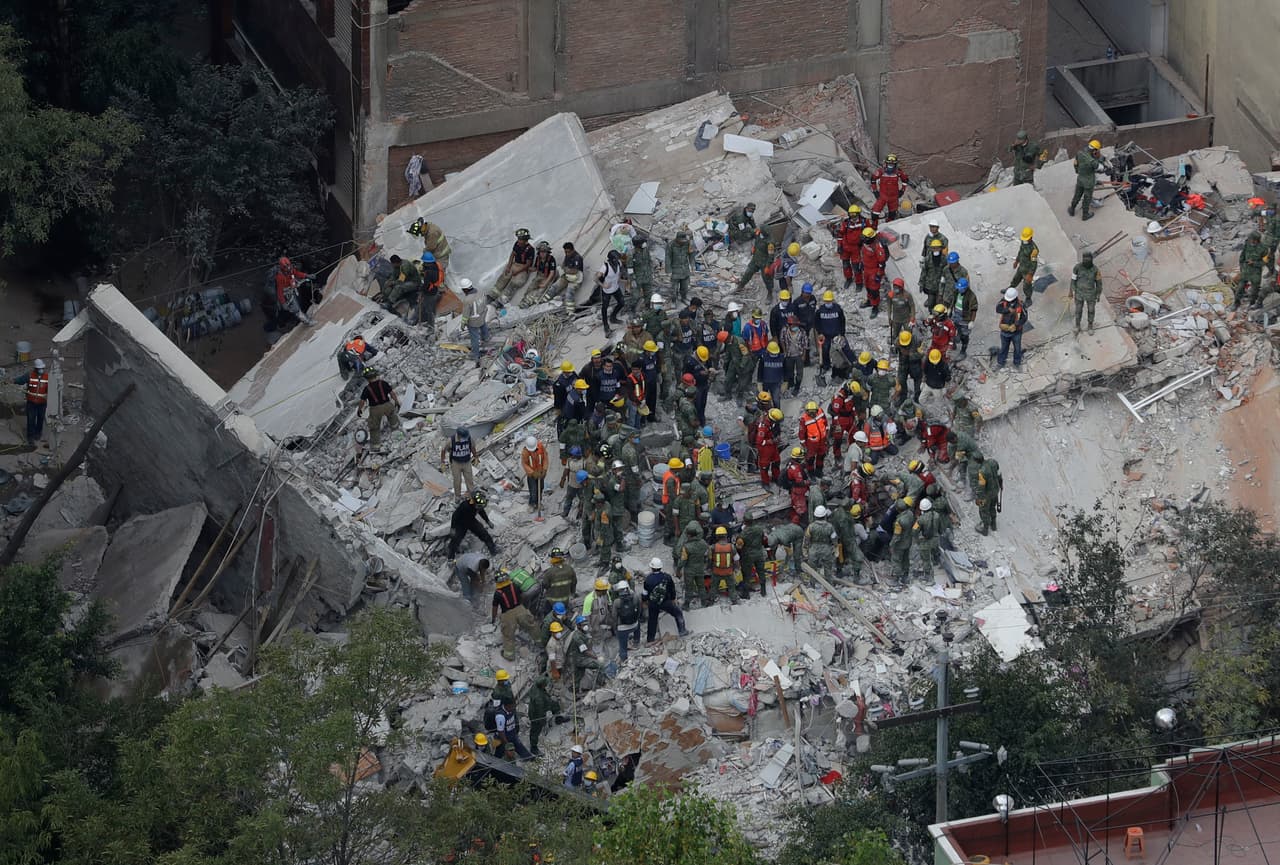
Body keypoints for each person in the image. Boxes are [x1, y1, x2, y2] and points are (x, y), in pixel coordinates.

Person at [493, 569, 540, 660]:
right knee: (532, 626)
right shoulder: (514, 585)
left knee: (508, 635)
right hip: (520, 609)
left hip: (507, 614)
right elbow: (521, 595)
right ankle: (541, 642)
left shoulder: (497, 593)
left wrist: (493, 618)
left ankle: (509, 655)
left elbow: (494, 607)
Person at [643, 557, 688, 643]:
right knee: (678, 613)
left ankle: (650, 639)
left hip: (653, 603)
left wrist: (645, 601)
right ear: (661, 567)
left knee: (652, 620)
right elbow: (672, 589)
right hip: (665, 602)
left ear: (652, 568)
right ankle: (682, 631)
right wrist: (673, 598)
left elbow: (645, 593)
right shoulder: (667, 577)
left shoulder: (648, 579)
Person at [356, 368, 400, 447]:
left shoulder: (367, 389)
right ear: (376, 375)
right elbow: (392, 393)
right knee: (392, 416)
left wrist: (359, 409)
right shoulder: (383, 383)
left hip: (375, 409)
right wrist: (396, 401)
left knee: (374, 426)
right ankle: (396, 429)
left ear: (367, 379)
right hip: (387, 405)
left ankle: (376, 444)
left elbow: (362, 401)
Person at [447, 491, 498, 558]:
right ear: (474, 503)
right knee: (456, 540)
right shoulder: (465, 506)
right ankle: (450, 557)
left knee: (483, 533)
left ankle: (493, 549)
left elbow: (482, 512)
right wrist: (453, 528)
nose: (479, 508)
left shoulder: (478, 505)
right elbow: (455, 515)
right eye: (479, 506)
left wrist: (488, 521)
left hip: (471, 521)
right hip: (460, 524)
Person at [493, 228, 536, 301]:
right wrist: (508, 267)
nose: (518, 241)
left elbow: (528, 264)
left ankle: (503, 299)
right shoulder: (517, 244)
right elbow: (512, 255)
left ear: (525, 240)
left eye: (520, 239)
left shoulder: (530, 249)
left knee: (516, 282)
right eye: (518, 239)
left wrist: (517, 271)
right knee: (504, 276)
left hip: (523, 268)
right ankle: (493, 294)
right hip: (515, 264)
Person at [14, 358, 49, 446]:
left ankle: (38, 433)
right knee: (31, 419)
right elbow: (20, 380)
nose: (41, 370)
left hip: (42, 403)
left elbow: (51, 389)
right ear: (35, 369)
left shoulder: (47, 377)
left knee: (41, 419)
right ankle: (30, 437)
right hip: (31, 403)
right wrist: (12, 381)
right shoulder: (29, 375)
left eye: (42, 368)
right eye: (39, 368)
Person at [273, 256, 315, 326]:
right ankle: (307, 322)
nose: (288, 268)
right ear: (283, 268)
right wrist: (283, 303)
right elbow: (280, 292)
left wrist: (307, 276)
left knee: (299, 303)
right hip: (286, 293)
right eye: (286, 267)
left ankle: (303, 315)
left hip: (292, 289)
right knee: (296, 310)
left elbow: (297, 273)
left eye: (289, 266)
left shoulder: (290, 270)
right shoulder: (280, 277)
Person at [527, 674, 561, 755]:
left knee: (555, 704)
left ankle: (558, 718)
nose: (546, 685)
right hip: (536, 714)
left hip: (542, 705)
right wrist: (542, 721)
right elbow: (540, 712)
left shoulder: (536, 685)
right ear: (542, 685)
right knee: (535, 730)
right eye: (545, 684)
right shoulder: (538, 698)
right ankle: (533, 747)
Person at [1068, 140, 1102, 220]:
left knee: (1077, 195)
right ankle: (1085, 215)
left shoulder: (1079, 153)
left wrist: (1078, 171)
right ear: (1095, 150)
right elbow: (1099, 168)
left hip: (1080, 179)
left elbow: (1075, 164)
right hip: (1089, 182)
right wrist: (1098, 158)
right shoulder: (1092, 161)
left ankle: (1072, 209)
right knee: (1087, 198)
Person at [1071, 250, 1103, 334]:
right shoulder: (1077, 268)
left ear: (1091, 259)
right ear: (1082, 259)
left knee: (1091, 310)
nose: (1086, 261)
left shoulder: (1096, 270)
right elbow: (1073, 280)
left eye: (1088, 259)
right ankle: (1077, 326)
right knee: (1078, 310)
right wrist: (1071, 291)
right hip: (1079, 293)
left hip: (1091, 294)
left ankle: (1090, 326)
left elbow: (1099, 283)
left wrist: (1098, 294)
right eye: (1085, 259)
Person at [995, 288, 1028, 368]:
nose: (1009, 301)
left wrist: (1016, 325)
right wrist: (1007, 310)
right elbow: (998, 309)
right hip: (1005, 330)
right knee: (1004, 347)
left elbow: (1025, 318)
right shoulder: (1004, 301)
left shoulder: (1021, 305)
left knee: (1017, 348)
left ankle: (1017, 362)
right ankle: (1001, 362)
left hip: (1016, 332)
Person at [595, 250, 626, 336]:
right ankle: (606, 326)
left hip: (615, 288)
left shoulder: (619, 263)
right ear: (612, 260)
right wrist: (603, 285)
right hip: (607, 291)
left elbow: (619, 272)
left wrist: (618, 279)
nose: (617, 261)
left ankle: (613, 317)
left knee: (622, 303)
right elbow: (595, 278)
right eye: (616, 259)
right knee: (604, 308)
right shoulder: (605, 267)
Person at [737, 229, 775, 297]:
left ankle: (770, 293)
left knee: (767, 279)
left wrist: (768, 266)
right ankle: (740, 286)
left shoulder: (770, 243)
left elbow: (771, 256)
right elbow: (751, 234)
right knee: (748, 272)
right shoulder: (758, 234)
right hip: (755, 260)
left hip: (764, 263)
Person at [871, 154, 910, 219]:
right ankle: (874, 226)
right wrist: (875, 191)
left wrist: (902, 190)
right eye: (889, 164)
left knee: (892, 214)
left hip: (894, 197)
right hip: (883, 196)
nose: (890, 166)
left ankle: (889, 224)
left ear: (895, 165)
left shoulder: (898, 172)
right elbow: (873, 179)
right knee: (875, 212)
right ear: (886, 163)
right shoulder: (881, 171)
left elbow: (905, 180)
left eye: (892, 165)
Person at [859, 227, 887, 316]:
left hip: (874, 271)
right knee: (867, 286)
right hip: (866, 269)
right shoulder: (865, 245)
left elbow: (882, 263)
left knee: (874, 290)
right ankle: (869, 301)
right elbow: (863, 254)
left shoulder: (877, 248)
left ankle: (875, 306)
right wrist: (862, 263)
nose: (863, 240)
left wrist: (879, 275)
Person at [442, 427, 476, 498]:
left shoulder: (469, 438)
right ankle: (457, 496)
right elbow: (444, 450)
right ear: (459, 435)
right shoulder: (451, 440)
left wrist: (476, 456)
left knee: (469, 478)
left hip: (467, 462)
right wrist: (443, 461)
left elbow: (472, 447)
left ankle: (471, 493)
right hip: (455, 463)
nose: (465, 438)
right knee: (457, 480)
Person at [460, 279, 489, 363]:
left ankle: (475, 354)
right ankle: (486, 337)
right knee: (483, 325)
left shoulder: (467, 300)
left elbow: (466, 315)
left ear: (465, 289)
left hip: (473, 321)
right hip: (482, 315)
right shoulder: (480, 292)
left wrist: (463, 324)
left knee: (474, 337)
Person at [1010, 227, 1039, 307]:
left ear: (1031, 237)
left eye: (1027, 238)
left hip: (1027, 271)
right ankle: (1010, 289)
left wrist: (1030, 274)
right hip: (1021, 267)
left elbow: (1034, 263)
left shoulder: (1034, 250)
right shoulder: (1024, 242)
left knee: (1026, 286)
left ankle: (1028, 298)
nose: (1025, 240)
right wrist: (1016, 261)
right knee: (1015, 279)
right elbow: (1020, 252)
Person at [523, 241, 558, 306]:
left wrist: (545, 283)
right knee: (531, 287)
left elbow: (552, 273)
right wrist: (529, 268)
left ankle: (531, 301)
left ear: (547, 251)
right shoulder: (538, 258)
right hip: (540, 275)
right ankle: (525, 299)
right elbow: (536, 268)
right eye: (541, 251)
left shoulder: (551, 259)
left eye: (544, 251)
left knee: (541, 290)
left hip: (548, 277)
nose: (542, 253)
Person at [613, 580, 641, 660]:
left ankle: (623, 659)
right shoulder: (636, 597)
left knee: (622, 646)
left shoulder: (616, 602)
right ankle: (636, 642)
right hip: (634, 625)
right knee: (638, 624)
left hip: (622, 629)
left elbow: (614, 617)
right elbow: (639, 611)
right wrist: (635, 619)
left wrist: (615, 629)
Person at [914, 498, 943, 575]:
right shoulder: (937, 515)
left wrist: (918, 541)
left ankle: (927, 575)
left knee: (926, 559)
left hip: (926, 541)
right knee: (935, 551)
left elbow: (914, 531)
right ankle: (937, 561)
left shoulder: (920, 519)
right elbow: (941, 529)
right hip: (936, 539)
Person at [521, 436, 549, 515]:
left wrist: (544, 469)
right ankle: (532, 504)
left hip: (540, 472)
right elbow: (524, 464)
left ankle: (538, 503)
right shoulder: (525, 452)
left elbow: (545, 458)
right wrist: (532, 472)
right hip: (532, 475)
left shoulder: (540, 447)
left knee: (540, 488)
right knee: (533, 490)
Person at [417, 251, 445, 327]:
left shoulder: (429, 272)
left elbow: (426, 285)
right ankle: (429, 321)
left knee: (429, 310)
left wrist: (421, 290)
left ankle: (431, 326)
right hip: (435, 289)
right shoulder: (436, 265)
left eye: (424, 262)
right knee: (431, 307)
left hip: (430, 292)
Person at [975, 457, 1003, 535]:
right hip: (995, 491)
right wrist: (1000, 485)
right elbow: (999, 475)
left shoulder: (982, 472)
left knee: (983, 510)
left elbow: (981, 487)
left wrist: (979, 497)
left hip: (987, 494)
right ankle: (993, 525)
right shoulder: (993, 462)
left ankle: (985, 529)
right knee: (992, 507)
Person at [951, 278, 977, 358]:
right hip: (956, 315)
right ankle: (954, 344)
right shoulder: (957, 292)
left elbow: (974, 309)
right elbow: (953, 301)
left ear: (965, 288)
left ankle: (963, 351)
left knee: (964, 335)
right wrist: (950, 309)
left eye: (961, 289)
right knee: (953, 330)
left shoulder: (971, 296)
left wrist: (972, 321)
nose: (959, 290)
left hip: (965, 317)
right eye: (958, 288)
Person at [665, 231, 695, 300]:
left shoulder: (687, 243)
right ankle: (674, 300)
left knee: (685, 286)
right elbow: (668, 258)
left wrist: (692, 265)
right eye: (681, 240)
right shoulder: (671, 245)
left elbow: (691, 255)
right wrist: (668, 271)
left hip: (685, 269)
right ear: (677, 239)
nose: (683, 242)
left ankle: (683, 298)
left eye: (684, 240)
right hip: (675, 270)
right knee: (674, 288)